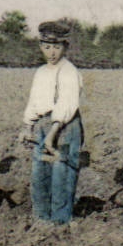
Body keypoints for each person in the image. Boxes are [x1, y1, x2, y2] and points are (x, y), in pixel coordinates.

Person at [19, 20, 84, 224]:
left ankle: (59, 222)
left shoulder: (69, 72)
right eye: (47, 47)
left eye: (56, 47)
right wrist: (27, 127)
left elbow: (66, 104)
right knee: (40, 176)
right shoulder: (40, 72)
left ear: (65, 47)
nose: (52, 52)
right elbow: (34, 102)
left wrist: (51, 135)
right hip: (42, 125)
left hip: (65, 127)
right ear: (40, 46)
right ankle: (41, 220)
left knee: (61, 176)